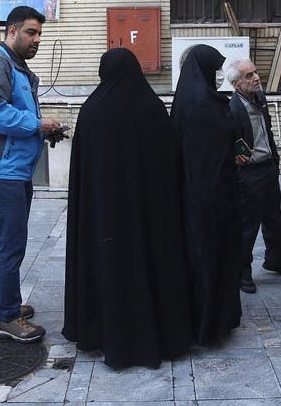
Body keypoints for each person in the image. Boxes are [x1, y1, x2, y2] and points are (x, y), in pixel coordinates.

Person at [62, 48, 192, 368]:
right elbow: (170, 166)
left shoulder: (92, 111)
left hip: (105, 222)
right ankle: (160, 335)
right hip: (150, 220)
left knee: (110, 271)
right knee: (152, 267)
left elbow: (82, 175)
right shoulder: (152, 107)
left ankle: (104, 336)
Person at [0, 6, 60, 343]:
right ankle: (7, 316)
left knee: (3, 241)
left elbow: (15, 113)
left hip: (14, 170)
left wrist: (41, 130)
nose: (37, 40)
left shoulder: (18, 68)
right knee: (11, 244)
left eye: (39, 34)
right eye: (31, 32)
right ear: (12, 30)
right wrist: (38, 125)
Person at [171, 44, 242, 346]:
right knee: (213, 256)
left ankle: (200, 319)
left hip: (191, 194)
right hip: (213, 196)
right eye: (214, 71)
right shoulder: (207, 104)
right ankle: (213, 323)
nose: (217, 78)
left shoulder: (185, 100)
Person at [228, 59, 281, 294]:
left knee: (274, 219)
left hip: (268, 168)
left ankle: (275, 260)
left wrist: (275, 159)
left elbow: (266, 131)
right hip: (250, 174)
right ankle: (242, 273)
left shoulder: (260, 98)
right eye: (249, 75)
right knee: (248, 225)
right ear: (236, 84)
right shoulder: (233, 108)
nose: (256, 77)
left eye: (256, 72)